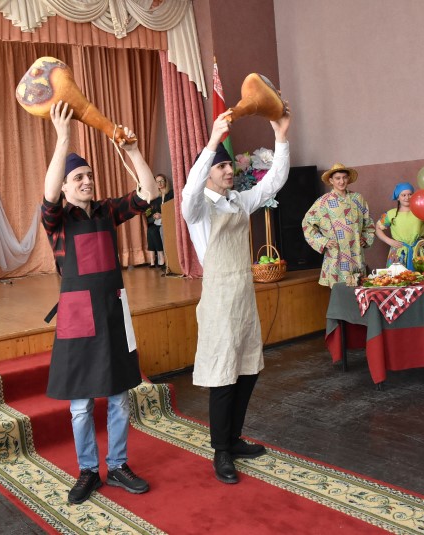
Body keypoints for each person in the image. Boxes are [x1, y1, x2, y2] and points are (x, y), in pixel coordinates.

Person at [41, 100, 157, 504]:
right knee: (80, 406)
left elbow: (148, 193)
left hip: (112, 310)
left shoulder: (107, 211)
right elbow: (48, 194)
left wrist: (134, 152)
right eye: (78, 177)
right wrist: (63, 139)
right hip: (76, 316)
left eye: (89, 175)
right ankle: (88, 471)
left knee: (121, 398)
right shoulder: (58, 220)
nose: (87, 181)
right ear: (65, 187)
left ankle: (118, 465)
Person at [181, 107, 291, 484]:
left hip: (243, 298)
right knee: (223, 376)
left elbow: (274, 182)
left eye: (229, 165)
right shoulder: (198, 210)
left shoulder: (238, 202)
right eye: (221, 167)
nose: (229, 171)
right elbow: (189, 191)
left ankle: (233, 438)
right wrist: (213, 141)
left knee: (247, 370)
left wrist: (281, 137)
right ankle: (221, 451)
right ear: (208, 172)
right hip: (218, 301)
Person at [302, 163, 375, 286]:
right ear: (331, 181)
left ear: (348, 179)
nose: (342, 181)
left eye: (344, 177)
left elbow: (368, 223)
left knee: (359, 289)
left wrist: (366, 239)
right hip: (336, 255)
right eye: (338, 178)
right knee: (339, 291)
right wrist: (323, 241)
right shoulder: (323, 202)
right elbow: (307, 224)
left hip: (356, 254)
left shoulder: (358, 199)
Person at [375, 182, 424, 269]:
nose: (407, 197)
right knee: (397, 276)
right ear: (398, 197)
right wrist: (389, 241)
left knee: (420, 275)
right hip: (398, 253)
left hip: (418, 252)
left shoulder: (420, 211)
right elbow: (378, 228)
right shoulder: (391, 214)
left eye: (410, 194)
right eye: (403, 195)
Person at [144, 173, 174, 268]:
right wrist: (153, 215)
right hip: (158, 222)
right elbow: (149, 212)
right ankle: (153, 259)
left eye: (162, 181)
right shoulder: (156, 197)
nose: (160, 183)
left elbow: (172, 209)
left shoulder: (171, 194)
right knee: (150, 230)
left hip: (168, 220)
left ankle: (161, 257)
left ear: (166, 182)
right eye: (157, 182)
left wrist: (162, 215)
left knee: (154, 230)